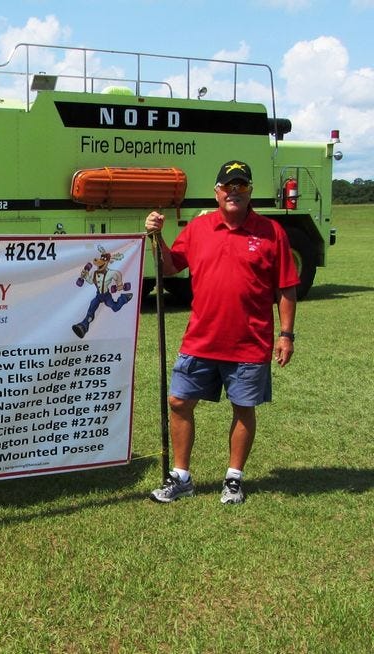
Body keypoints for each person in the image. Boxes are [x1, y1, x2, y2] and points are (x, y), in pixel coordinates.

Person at [144, 160, 297, 505]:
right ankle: (181, 477)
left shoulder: (272, 232)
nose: (234, 192)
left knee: (243, 407)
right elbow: (169, 266)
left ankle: (233, 478)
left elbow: (286, 287)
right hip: (201, 338)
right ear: (217, 192)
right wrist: (157, 236)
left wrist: (286, 335)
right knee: (179, 402)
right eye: (228, 186)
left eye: (241, 186)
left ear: (250, 192)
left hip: (250, 341)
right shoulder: (199, 229)